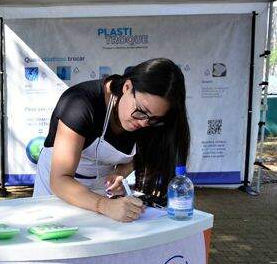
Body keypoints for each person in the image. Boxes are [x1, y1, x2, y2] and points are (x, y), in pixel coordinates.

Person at [33, 58, 190, 222]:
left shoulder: (150, 120)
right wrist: (104, 205)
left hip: (101, 191)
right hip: (57, 189)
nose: (144, 122)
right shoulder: (80, 103)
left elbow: (144, 154)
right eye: (142, 111)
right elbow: (60, 180)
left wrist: (120, 172)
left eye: (154, 119)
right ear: (127, 87)